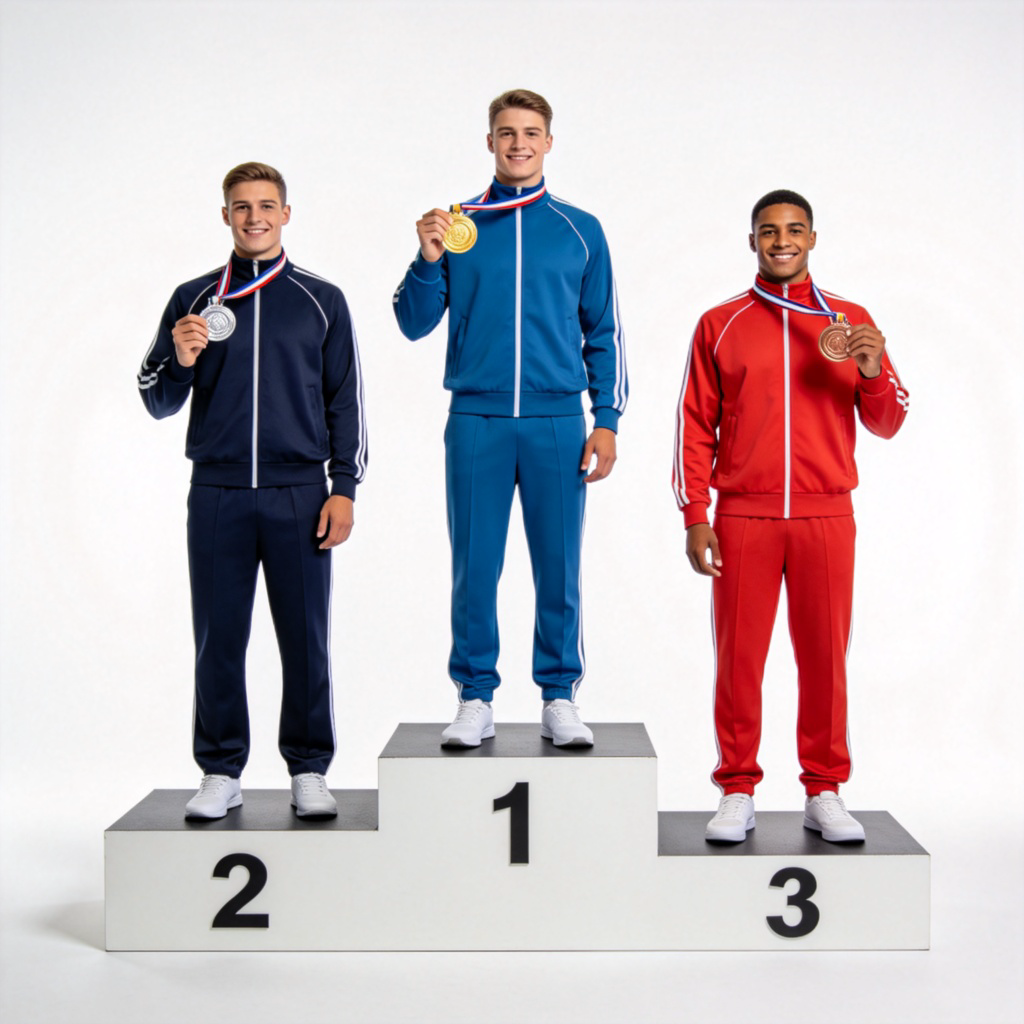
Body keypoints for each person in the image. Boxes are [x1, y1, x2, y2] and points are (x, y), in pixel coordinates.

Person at [393, 89, 627, 748]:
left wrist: (605, 417)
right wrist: (429, 258)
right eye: (505, 133)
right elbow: (412, 323)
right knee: (475, 565)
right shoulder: (457, 225)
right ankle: (474, 696)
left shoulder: (580, 230)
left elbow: (603, 330)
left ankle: (559, 695)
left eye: (530, 132)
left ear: (549, 142)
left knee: (560, 566)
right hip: (478, 419)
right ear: (490, 142)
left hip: (557, 421)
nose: (518, 143)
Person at [673, 189, 908, 842]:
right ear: (752, 241)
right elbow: (694, 425)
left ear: (812, 239)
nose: (782, 240)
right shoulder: (719, 323)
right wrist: (697, 514)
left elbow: (888, 421)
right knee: (739, 658)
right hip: (742, 518)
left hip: (826, 516)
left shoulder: (852, 320)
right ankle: (738, 787)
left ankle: (824, 789)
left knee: (825, 658)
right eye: (769, 230)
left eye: (794, 230)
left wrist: (870, 370)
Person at [138, 162, 367, 819]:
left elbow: (345, 401)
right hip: (217, 494)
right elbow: (155, 398)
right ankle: (219, 768)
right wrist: (180, 362)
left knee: (306, 639)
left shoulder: (323, 300)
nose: (255, 216)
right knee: (217, 639)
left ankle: (309, 768)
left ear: (286, 214)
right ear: (226, 216)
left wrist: (343, 486)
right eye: (241, 206)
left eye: (266, 205)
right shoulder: (193, 298)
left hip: (301, 495)